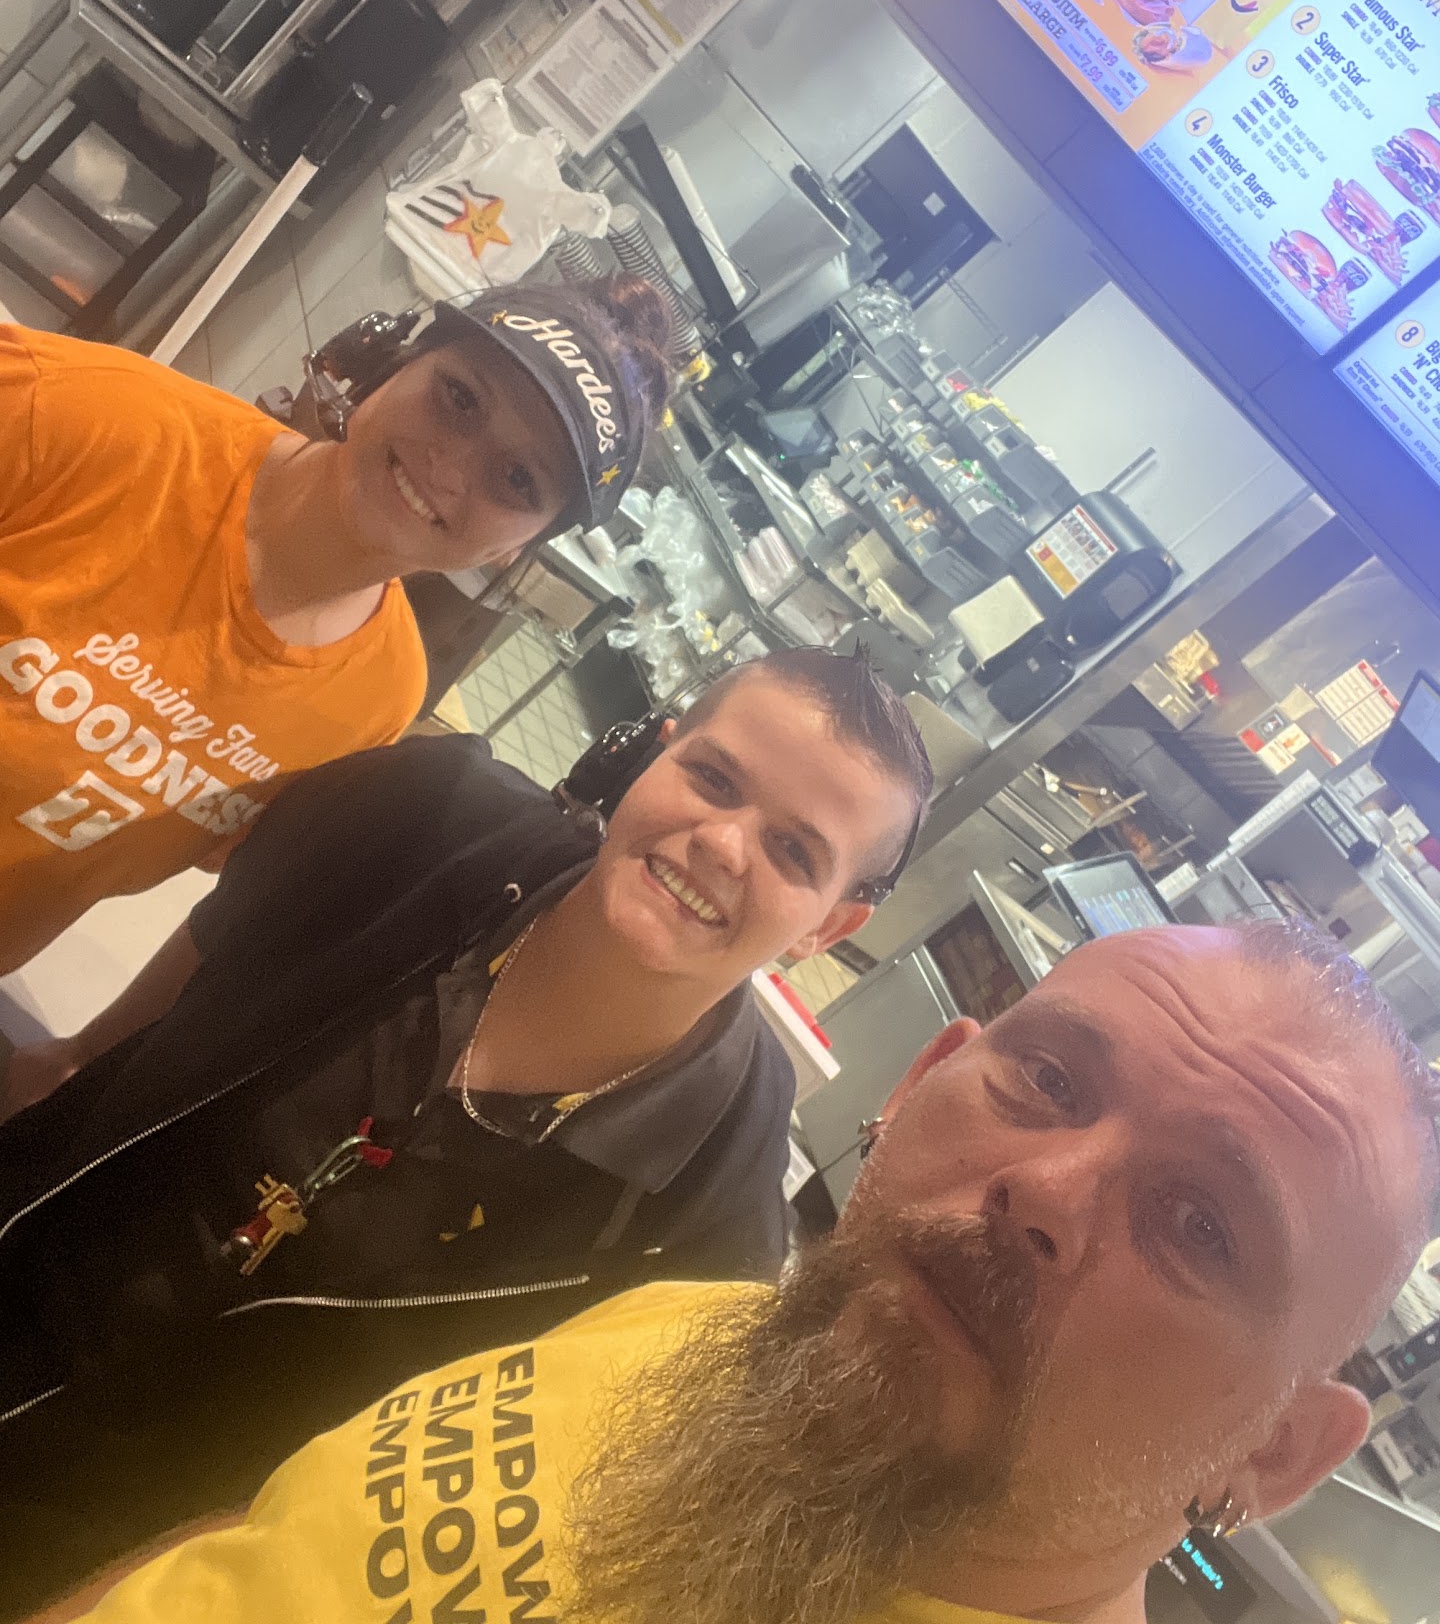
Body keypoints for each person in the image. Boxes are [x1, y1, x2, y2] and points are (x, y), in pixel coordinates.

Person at [27, 920, 1439, 1624]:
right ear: (920, 1081)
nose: (1047, 1194)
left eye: (1202, 1226)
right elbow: (275, 1536)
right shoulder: (705, 1321)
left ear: (1275, 1452)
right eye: (1053, 1080)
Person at [0, 647, 931, 1613]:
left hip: (118, 1565)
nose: (725, 845)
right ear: (655, 752)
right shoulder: (421, 817)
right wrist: (76, 1055)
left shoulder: (703, 1236)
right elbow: (225, 934)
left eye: (794, 853)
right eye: (713, 777)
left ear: (828, 926)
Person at [0, 275, 674, 1005]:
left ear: (520, 546)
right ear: (396, 362)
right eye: (460, 398)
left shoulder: (379, 695)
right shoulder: (86, 414)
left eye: (517, 477)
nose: (450, 467)